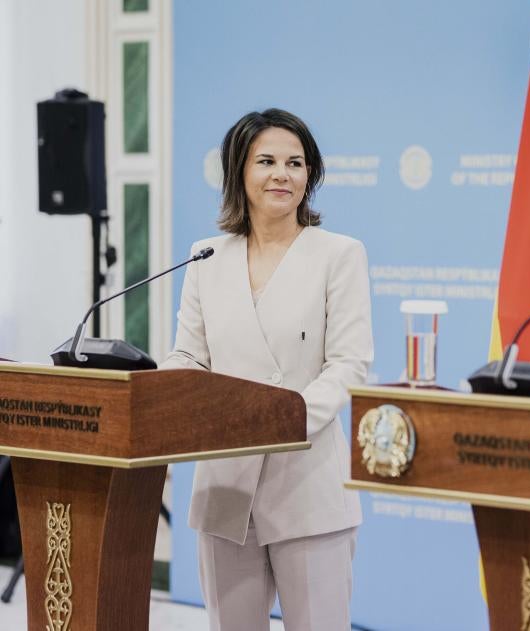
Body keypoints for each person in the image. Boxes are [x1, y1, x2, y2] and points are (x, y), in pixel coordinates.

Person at [161, 108, 372, 631]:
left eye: (296, 163)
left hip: (305, 483)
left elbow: (349, 364)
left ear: (310, 177)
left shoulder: (339, 255)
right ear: (239, 173)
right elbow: (188, 356)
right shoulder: (205, 256)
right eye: (267, 161)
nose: (283, 174)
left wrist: (283, 418)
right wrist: (164, 394)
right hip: (224, 488)